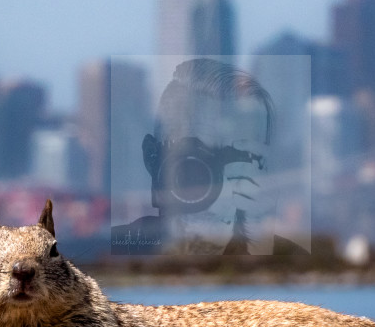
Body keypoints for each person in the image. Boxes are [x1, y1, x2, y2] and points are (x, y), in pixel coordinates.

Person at [111, 58, 305, 256]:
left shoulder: (293, 260)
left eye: (236, 154)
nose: (211, 172)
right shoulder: (118, 247)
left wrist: (254, 243)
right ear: (152, 158)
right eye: (195, 153)